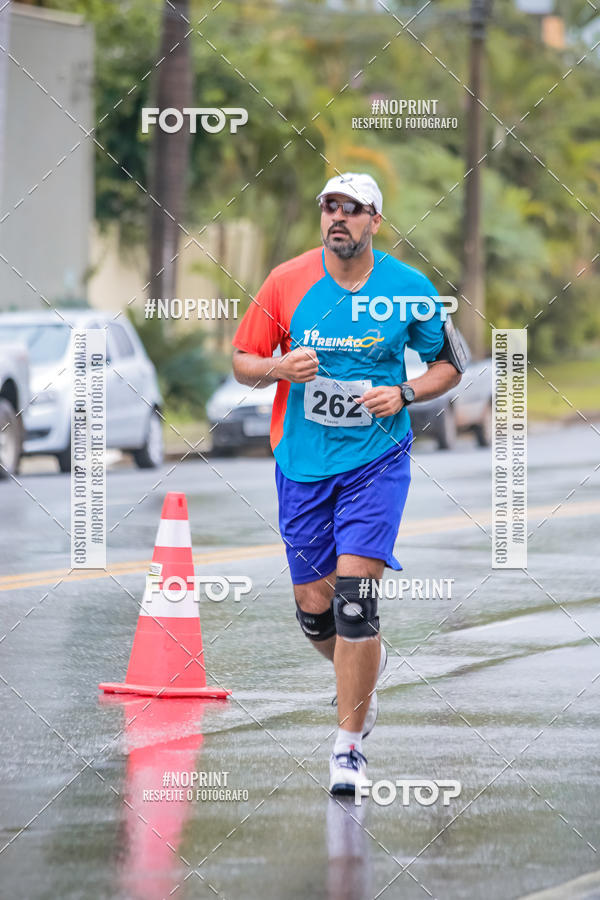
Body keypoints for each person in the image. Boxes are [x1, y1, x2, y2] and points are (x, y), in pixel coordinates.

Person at [231, 172, 464, 795]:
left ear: (374, 221)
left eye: (352, 208)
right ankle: (365, 671)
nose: (338, 216)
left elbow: (451, 364)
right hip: (302, 463)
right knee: (316, 613)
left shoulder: (409, 289)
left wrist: (405, 391)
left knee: (356, 603)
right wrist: (278, 366)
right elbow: (242, 361)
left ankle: (349, 746)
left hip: (375, 460)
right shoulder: (286, 280)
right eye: (329, 206)